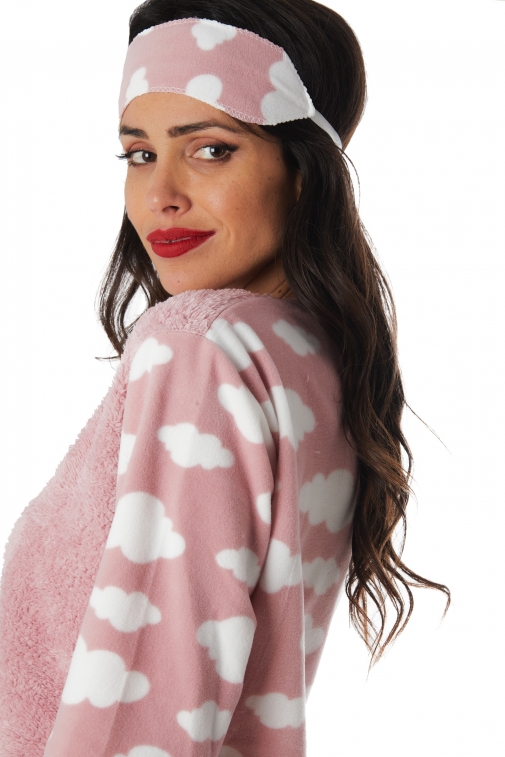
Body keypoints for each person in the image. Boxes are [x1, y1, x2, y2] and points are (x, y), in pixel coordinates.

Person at [0, 1, 450, 756]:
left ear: (302, 171)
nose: (161, 194)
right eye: (139, 154)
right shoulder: (310, 357)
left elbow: (144, 694)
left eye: (210, 149)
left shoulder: (198, 345)